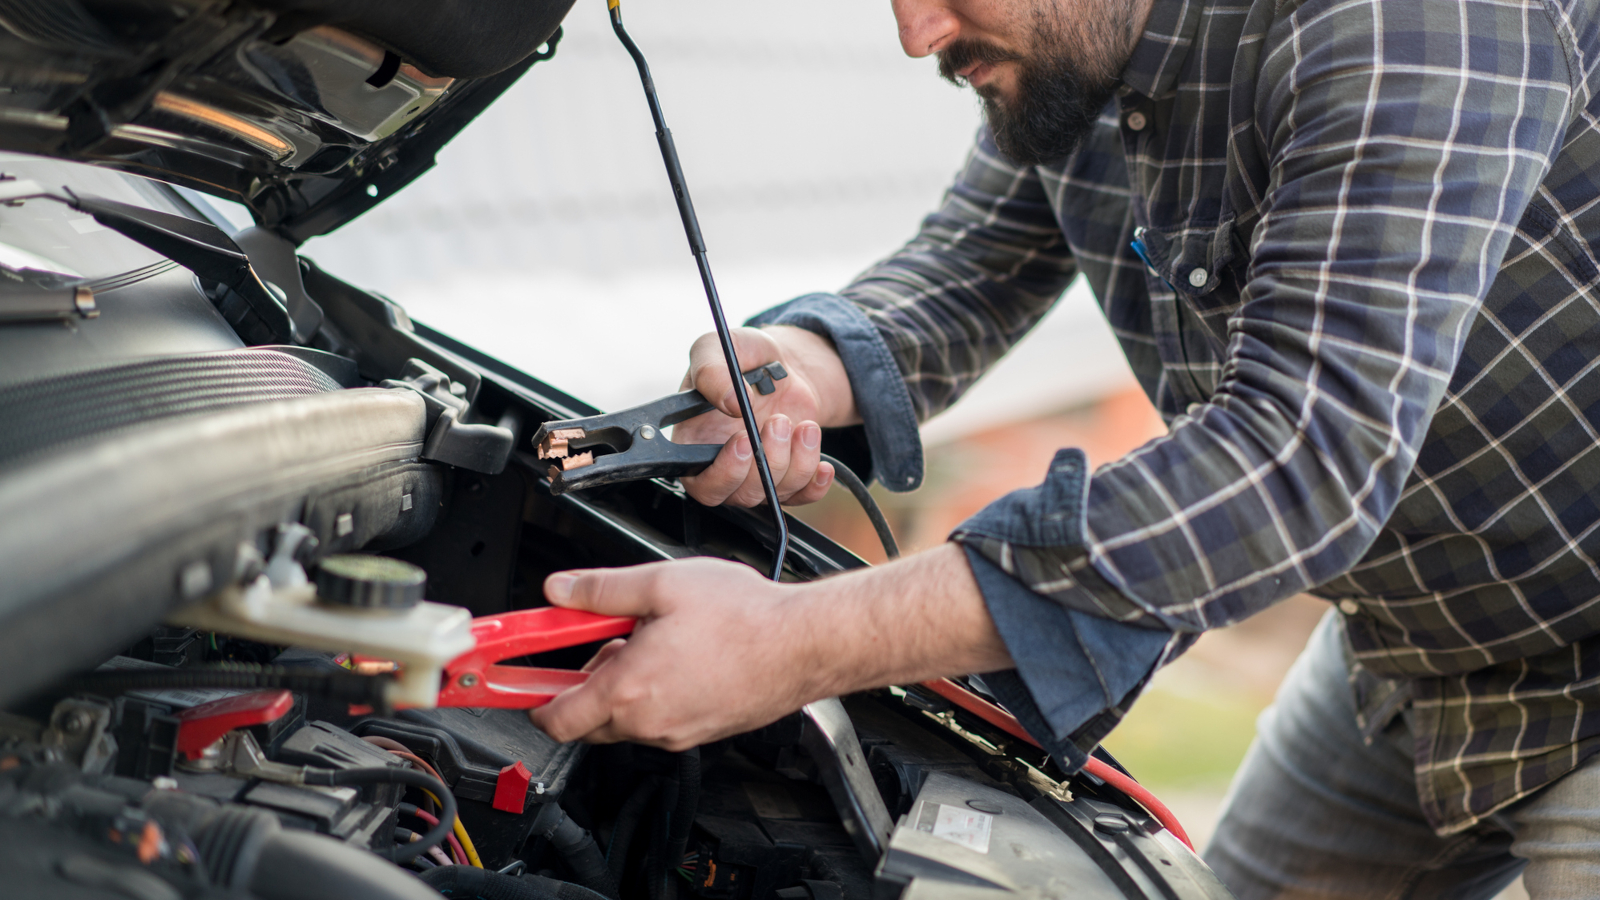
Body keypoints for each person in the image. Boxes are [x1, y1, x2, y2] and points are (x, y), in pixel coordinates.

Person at [528, 0, 1600, 895]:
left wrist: (793, 643)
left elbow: (1294, 463)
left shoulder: (1408, 23)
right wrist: (798, 367)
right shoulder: (1080, 53)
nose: (916, 33)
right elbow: (969, 267)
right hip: (1408, 644)